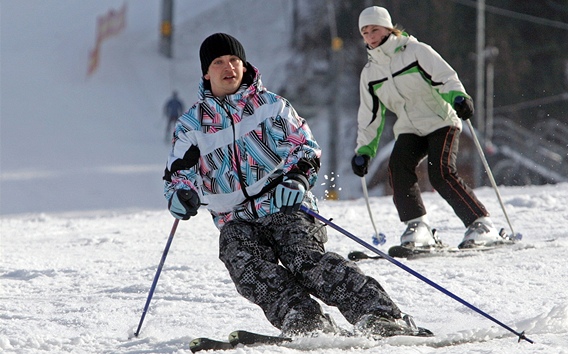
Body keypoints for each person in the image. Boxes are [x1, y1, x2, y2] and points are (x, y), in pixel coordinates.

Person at [163, 33, 432, 338]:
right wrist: (180, 195)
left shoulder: (270, 106)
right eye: (219, 62)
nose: (230, 67)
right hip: (235, 218)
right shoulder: (192, 125)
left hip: (284, 204)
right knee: (244, 264)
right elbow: (177, 173)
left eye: (235, 60)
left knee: (304, 260)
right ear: (206, 72)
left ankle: (381, 313)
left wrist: (297, 179)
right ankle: (304, 320)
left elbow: (306, 149)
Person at [351, 6, 505, 250]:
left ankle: (481, 224)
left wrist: (458, 97)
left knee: (440, 171)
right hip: (410, 128)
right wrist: (365, 150)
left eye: (375, 29)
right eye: (365, 32)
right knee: (398, 168)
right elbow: (370, 115)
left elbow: (444, 76)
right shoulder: (370, 73)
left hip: (441, 121)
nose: (370, 36)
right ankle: (417, 227)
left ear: (388, 28)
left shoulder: (415, 51)